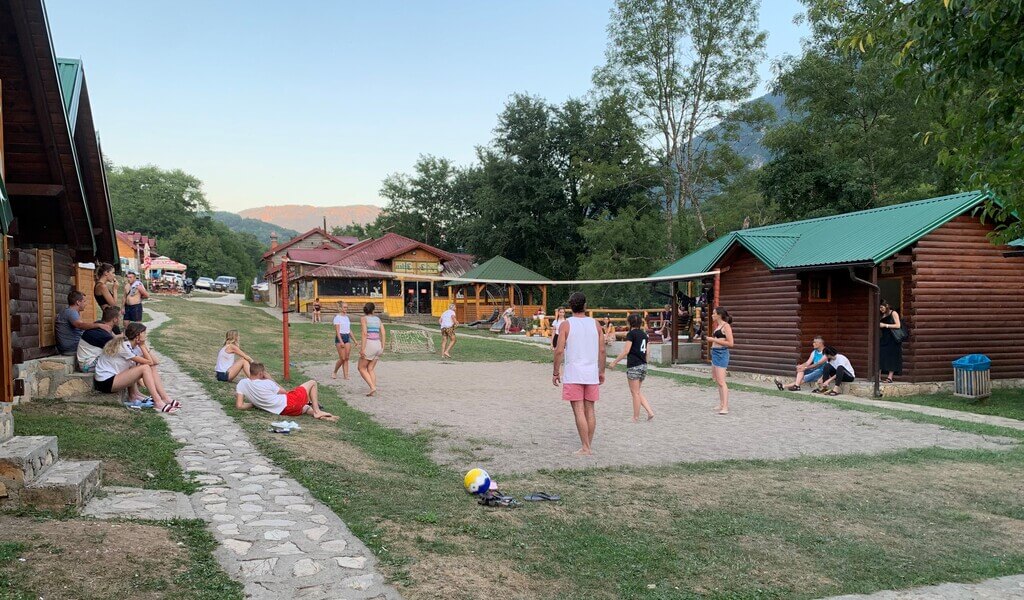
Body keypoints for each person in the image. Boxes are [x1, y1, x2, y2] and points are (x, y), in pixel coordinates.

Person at [552, 292, 605, 456]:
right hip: (591, 373)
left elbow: (559, 350)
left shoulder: (566, 325)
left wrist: (555, 372)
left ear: (570, 307)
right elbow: (602, 350)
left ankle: (585, 447)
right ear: (585, 305)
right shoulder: (595, 324)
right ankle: (587, 444)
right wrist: (601, 371)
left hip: (574, 373)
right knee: (590, 410)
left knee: (579, 411)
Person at [93, 323, 179, 413]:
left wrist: (144, 346)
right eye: (144, 333)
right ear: (138, 335)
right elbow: (149, 362)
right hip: (105, 382)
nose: (146, 336)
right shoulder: (124, 346)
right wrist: (142, 346)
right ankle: (158, 401)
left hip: (114, 379)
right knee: (145, 368)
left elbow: (155, 362)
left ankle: (164, 397)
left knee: (149, 367)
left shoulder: (134, 346)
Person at [235, 362, 335, 420]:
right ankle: (317, 411)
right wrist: (270, 378)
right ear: (261, 373)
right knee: (312, 383)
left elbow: (239, 406)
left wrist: (254, 404)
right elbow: (284, 391)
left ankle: (324, 417)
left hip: (284, 411)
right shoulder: (267, 383)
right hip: (289, 402)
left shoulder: (242, 383)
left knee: (305, 408)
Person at [609, 313, 654, 422]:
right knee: (637, 391)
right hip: (643, 365)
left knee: (634, 393)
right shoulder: (644, 335)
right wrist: (645, 362)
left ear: (630, 323)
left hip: (634, 365)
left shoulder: (631, 334)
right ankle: (650, 412)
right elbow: (648, 351)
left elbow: (626, 351)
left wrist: (615, 362)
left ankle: (635, 417)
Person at [55, 290, 103, 355]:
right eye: (84, 301)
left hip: (69, 347)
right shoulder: (71, 312)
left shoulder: (68, 311)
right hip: (71, 348)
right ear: (78, 302)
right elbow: (80, 325)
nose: (85, 304)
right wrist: (99, 325)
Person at [77, 306, 121, 373]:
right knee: (122, 360)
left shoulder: (100, 326)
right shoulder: (101, 334)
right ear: (115, 319)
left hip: (90, 360)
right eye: (119, 317)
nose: (120, 319)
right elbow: (119, 350)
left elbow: (115, 338)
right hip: (87, 366)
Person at [708, 307, 734, 415]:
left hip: (722, 354)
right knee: (717, 380)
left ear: (719, 315)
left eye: (714, 313)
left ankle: (726, 407)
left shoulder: (726, 326)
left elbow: (731, 343)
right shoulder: (717, 326)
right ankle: (721, 403)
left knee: (722, 381)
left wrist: (713, 339)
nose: (712, 315)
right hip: (714, 353)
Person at [358, 302, 385, 396]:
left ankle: (372, 387)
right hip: (378, 344)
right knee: (370, 368)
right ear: (373, 310)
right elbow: (383, 332)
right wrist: (382, 347)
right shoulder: (378, 319)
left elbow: (365, 334)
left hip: (370, 344)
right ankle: (373, 388)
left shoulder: (363, 319)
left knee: (361, 368)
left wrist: (362, 349)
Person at [879, 300, 903, 383]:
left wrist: (885, 325)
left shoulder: (893, 313)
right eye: (879, 308)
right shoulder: (882, 315)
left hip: (893, 339)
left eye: (882, 307)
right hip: (884, 338)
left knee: (892, 357)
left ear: (886, 306)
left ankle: (890, 377)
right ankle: (878, 377)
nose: (880, 309)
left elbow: (898, 325)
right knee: (880, 356)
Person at [332, 302, 354, 379]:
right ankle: (335, 372)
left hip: (347, 337)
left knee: (347, 357)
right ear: (341, 308)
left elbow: (349, 330)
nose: (346, 309)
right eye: (344, 307)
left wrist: (355, 340)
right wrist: (341, 341)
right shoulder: (337, 318)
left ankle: (346, 375)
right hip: (340, 337)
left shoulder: (347, 318)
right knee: (342, 358)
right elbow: (337, 331)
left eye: (346, 307)